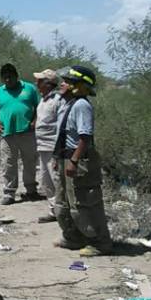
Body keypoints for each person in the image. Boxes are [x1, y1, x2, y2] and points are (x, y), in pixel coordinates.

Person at [53, 65, 113, 257]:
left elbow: (85, 136)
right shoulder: (68, 104)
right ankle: (73, 238)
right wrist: (59, 159)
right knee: (62, 203)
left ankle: (100, 243)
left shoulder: (81, 105)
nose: (62, 84)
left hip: (78, 160)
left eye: (67, 82)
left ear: (78, 86)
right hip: (65, 157)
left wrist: (74, 161)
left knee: (85, 203)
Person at [0, 63, 41, 205]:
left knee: (29, 162)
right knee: (8, 164)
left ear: (17, 76)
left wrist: (35, 120)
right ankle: (9, 193)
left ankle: (31, 191)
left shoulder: (29, 88)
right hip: (7, 134)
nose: (8, 80)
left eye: (10, 77)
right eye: (5, 78)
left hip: (27, 132)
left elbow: (39, 106)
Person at [32, 68, 64, 223]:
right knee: (46, 181)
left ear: (48, 83)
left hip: (53, 147)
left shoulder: (57, 100)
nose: (36, 83)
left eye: (39, 81)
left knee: (56, 180)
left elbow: (60, 125)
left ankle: (62, 212)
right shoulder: (42, 100)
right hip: (42, 146)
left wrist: (59, 150)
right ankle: (54, 211)